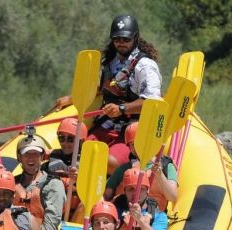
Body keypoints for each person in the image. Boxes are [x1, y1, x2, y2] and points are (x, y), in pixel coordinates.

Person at [54, 14, 162, 174]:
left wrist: (122, 109)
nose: (121, 43)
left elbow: (152, 103)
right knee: (81, 155)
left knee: (108, 162)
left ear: (136, 38)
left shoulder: (145, 66)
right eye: (117, 39)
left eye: (126, 39)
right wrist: (71, 98)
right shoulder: (110, 62)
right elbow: (102, 88)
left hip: (131, 129)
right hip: (106, 124)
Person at [13, 128, 67, 230]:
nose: (31, 158)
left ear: (42, 157)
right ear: (19, 157)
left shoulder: (53, 184)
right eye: (26, 154)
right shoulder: (11, 183)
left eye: (36, 154)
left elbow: (50, 225)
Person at [104, 121, 178, 211]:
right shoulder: (123, 169)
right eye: (132, 144)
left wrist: (160, 175)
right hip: (124, 217)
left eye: (140, 143)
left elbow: (172, 197)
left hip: (153, 219)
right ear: (129, 147)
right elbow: (106, 196)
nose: (137, 147)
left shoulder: (166, 166)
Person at [42, 117, 88, 221]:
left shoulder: (87, 162)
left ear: (81, 141)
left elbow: (95, 189)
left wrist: (81, 178)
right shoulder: (51, 158)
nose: (65, 143)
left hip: (76, 215)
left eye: (71, 139)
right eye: (62, 138)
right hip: (53, 210)